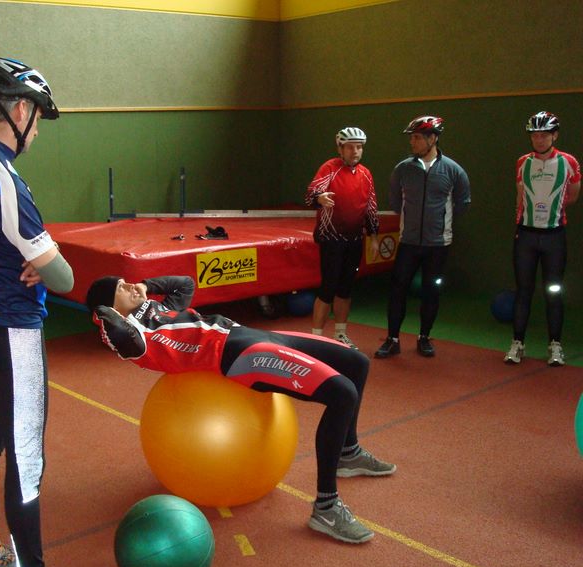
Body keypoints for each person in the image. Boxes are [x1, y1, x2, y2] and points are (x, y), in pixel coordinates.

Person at [0, 55, 102, 567]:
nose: (36, 131)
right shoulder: (6, 182)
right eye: (36, 118)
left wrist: (31, 255)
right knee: (26, 460)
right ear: (18, 111)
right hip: (13, 329)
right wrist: (45, 260)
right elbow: (64, 277)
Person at [86, 275, 396, 544]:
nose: (129, 285)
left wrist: (145, 286)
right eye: (120, 287)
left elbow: (185, 284)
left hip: (248, 334)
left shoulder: (158, 309)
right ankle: (326, 508)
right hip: (239, 356)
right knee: (342, 394)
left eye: (126, 281)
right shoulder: (136, 337)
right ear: (110, 307)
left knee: (357, 363)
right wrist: (105, 312)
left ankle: (347, 452)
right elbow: (118, 333)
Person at [374, 116, 471, 359]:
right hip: (408, 242)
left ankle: (424, 337)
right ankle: (392, 339)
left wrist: (439, 222)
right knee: (397, 289)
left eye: (417, 137)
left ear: (433, 138)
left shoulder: (453, 170)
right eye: (412, 137)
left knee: (431, 291)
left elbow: (462, 203)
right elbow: (395, 202)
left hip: (438, 244)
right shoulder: (403, 169)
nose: (412, 142)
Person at [504, 112, 580, 366]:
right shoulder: (522, 162)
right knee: (523, 290)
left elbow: (572, 195)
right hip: (526, 236)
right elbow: (519, 197)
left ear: (554, 136)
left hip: (554, 237)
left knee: (553, 291)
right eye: (535, 135)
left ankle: (555, 345)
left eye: (544, 135)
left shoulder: (569, 162)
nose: (539, 140)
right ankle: (517, 343)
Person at [305, 126, 380, 350]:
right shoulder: (330, 168)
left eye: (359, 147)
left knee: (346, 289)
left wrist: (374, 237)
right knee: (327, 289)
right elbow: (310, 194)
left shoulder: (366, 174)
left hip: (354, 239)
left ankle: (340, 334)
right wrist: (320, 198)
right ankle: (316, 339)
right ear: (340, 148)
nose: (355, 151)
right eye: (349, 147)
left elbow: (371, 207)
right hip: (331, 239)